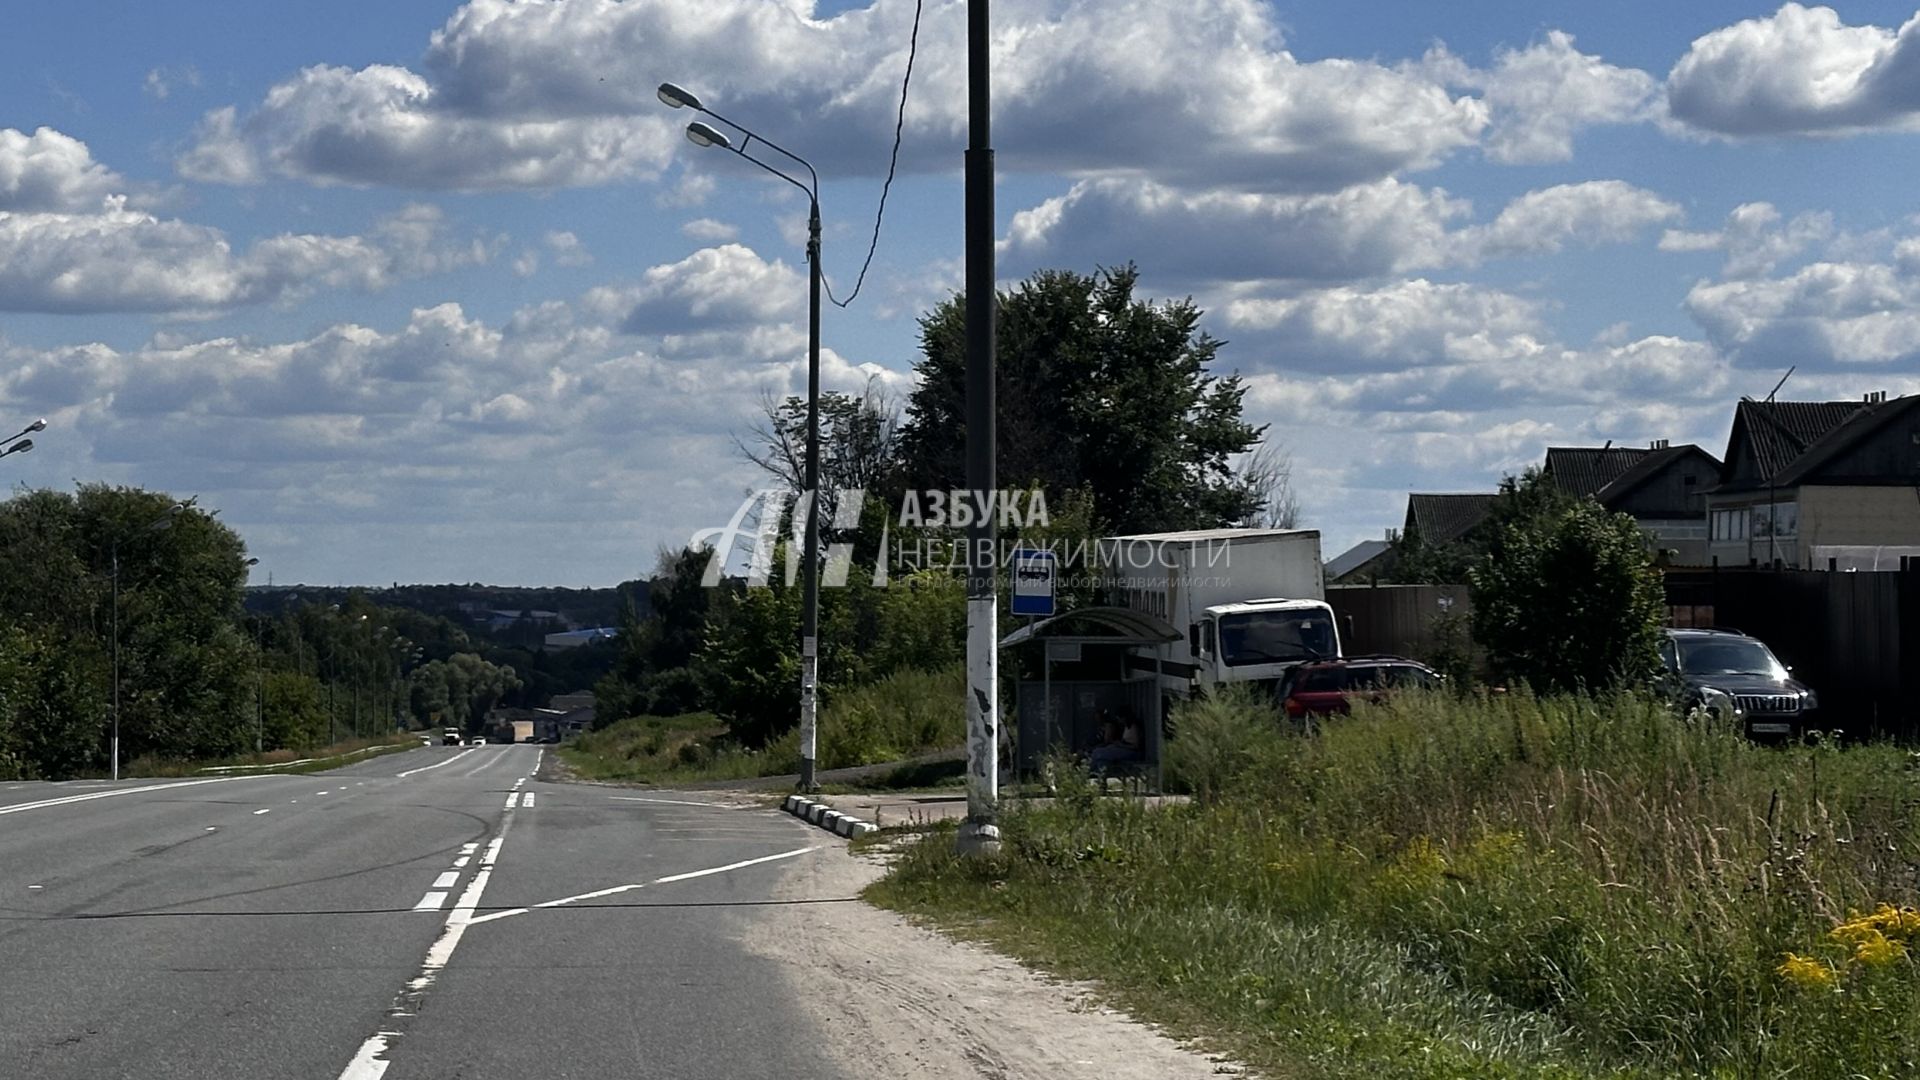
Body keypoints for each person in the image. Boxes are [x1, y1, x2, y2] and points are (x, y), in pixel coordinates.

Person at [1088, 709, 1142, 781]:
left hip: (1131, 752)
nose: (1119, 721)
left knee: (1098, 752)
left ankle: (1090, 772)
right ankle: (1100, 776)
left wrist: (1121, 745)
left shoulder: (1134, 727)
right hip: (1123, 748)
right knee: (1102, 760)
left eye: (1119, 718)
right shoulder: (1126, 727)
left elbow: (1136, 746)